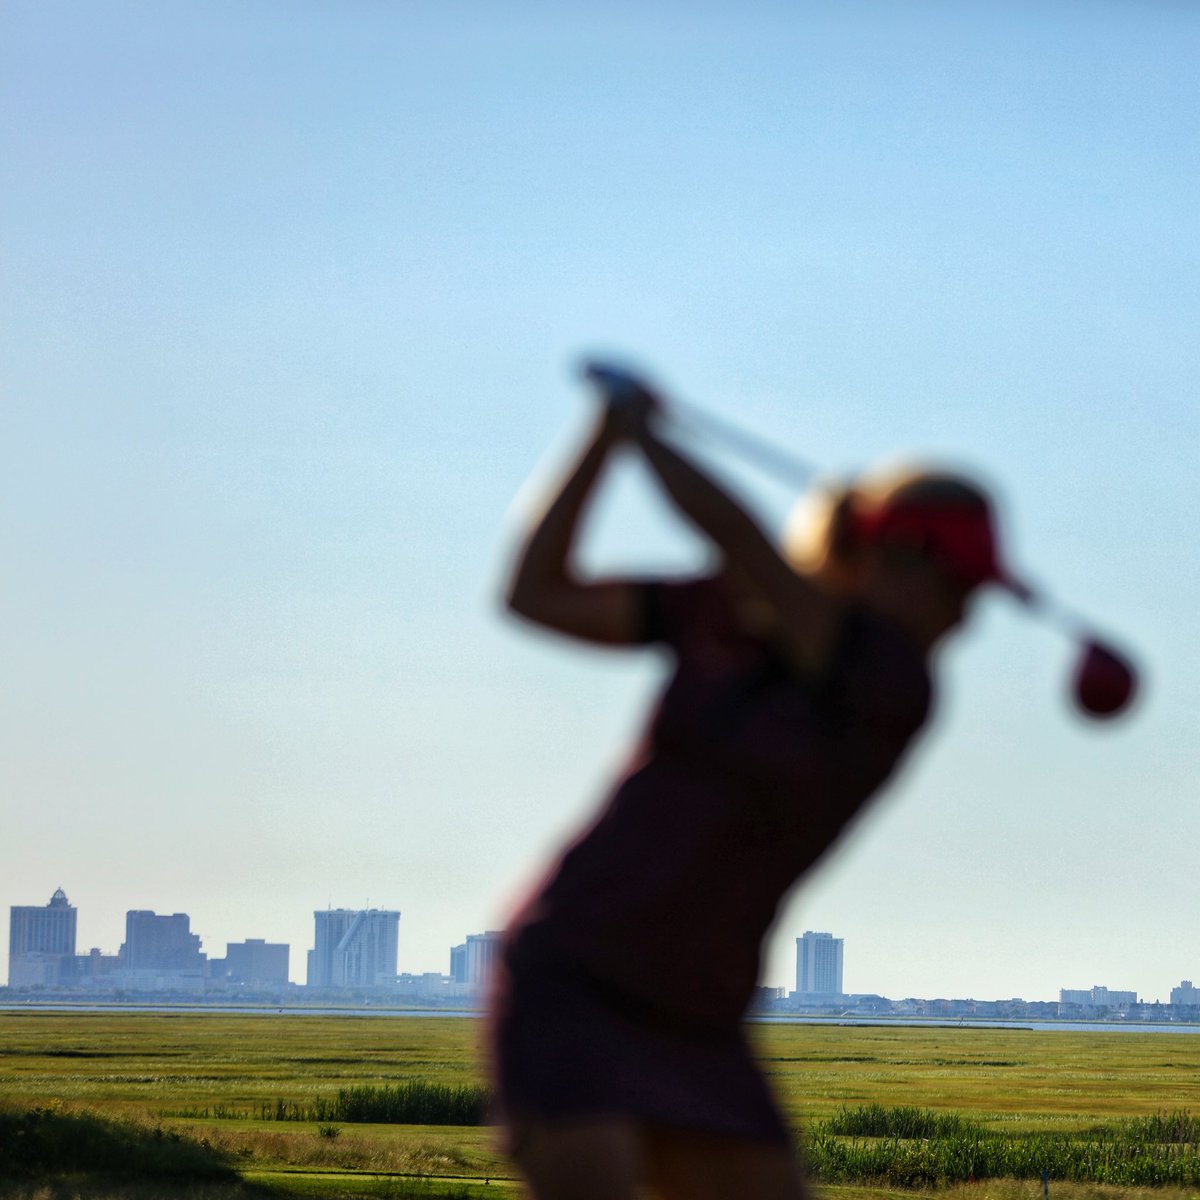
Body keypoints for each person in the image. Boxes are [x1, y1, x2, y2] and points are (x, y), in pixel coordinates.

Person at [489, 382, 1022, 1200]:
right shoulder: (728, 611)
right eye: (958, 585)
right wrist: (599, 441)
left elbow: (741, 542)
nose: (967, 616)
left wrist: (639, 435)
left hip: (699, 1017)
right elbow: (536, 594)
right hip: (577, 972)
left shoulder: (894, 684)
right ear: (890, 554)